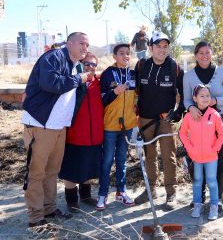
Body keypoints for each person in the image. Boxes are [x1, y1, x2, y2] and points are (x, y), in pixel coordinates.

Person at [22, 32, 91, 227]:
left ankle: (49, 210)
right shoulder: (53, 57)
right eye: (81, 43)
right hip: (40, 123)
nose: (85, 47)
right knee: (36, 172)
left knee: (52, 171)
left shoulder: (75, 65)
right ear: (69, 43)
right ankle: (36, 218)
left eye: (88, 45)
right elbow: (51, 84)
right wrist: (79, 79)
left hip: (59, 126)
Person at [133, 31, 185, 211]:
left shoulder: (174, 67)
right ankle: (150, 190)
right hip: (146, 119)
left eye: (165, 46)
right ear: (150, 48)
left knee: (169, 157)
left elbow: (185, 93)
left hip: (166, 119)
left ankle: (171, 193)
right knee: (149, 156)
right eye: (158, 46)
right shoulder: (141, 65)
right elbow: (134, 91)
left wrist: (179, 112)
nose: (162, 50)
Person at [183, 41, 223, 209]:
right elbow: (186, 99)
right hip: (198, 124)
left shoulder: (222, 72)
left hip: (220, 122)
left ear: (212, 53)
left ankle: (217, 198)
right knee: (196, 159)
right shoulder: (188, 76)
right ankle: (199, 197)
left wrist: (215, 101)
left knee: (220, 160)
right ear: (196, 55)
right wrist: (191, 107)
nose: (204, 56)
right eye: (201, 53)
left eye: (207, 52)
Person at [58, 52, 104, 212]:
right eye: (86, 63)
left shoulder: (100, 83)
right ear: (80, 64)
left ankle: (85, 196)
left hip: (95, 136)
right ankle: (71, 200)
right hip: (74, 136)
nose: (90, 67)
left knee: (89, 169)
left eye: (93, 64)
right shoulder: (73, 83)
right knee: (71, 171)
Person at [96, 43, 137, 210]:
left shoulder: (133, 74)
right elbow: (102, 100)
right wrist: (115, 92)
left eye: (128, 53)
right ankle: (102, 195)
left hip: (128, 125)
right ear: (114, 56)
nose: (125, 56)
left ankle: (121, 192)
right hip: (111, 125)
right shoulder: (107, 74)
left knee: (122, 160)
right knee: (107, 161)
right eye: (121, 53)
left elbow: (137, 98)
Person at [179, 84, 223, 220]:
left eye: (207, 96)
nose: (205, 98)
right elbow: (182, 133)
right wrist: (189, 148)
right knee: (197, 181)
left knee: (212, 180)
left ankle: (214, 206)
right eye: (202, 96)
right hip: (195, 156)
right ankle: (197, 204)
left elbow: (222, 134)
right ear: (195, 98)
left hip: (211, 156)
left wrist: (215, 148)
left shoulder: (214, 114)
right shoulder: (189, 116)